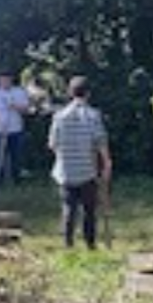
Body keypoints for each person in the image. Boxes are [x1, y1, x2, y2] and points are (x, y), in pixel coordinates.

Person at [47, 76, 111, 248]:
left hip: (65, 170)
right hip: (87, 170)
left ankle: (68, 243)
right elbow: (101, 142)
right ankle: (90, 244)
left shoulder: (59, 116)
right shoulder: (93, 115)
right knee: (89, 210)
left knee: (69, 208)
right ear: (88, 94)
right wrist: (106, 163)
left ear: (70, 93)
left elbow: (52, 144)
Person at [0, 72, 31, 183]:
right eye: (2, 80)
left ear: (11, 80)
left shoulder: (19, 92)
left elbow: (26, 109)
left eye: (7, 80)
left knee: (17, 156)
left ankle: (17, 179)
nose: (4, 82)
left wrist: (14, 106)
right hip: (0, 131)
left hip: (16, 130)